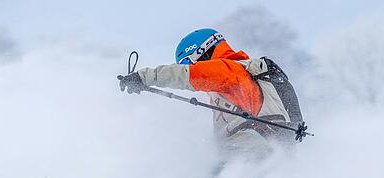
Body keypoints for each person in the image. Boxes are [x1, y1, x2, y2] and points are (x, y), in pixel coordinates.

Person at [118, 28, 304, 160]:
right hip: (264, 153)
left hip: (248, 152)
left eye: (191, 63)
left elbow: (186, 75)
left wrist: (143, 77)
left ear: (202, 54)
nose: (193, 68)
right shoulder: (242, 76)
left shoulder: (227, 69)